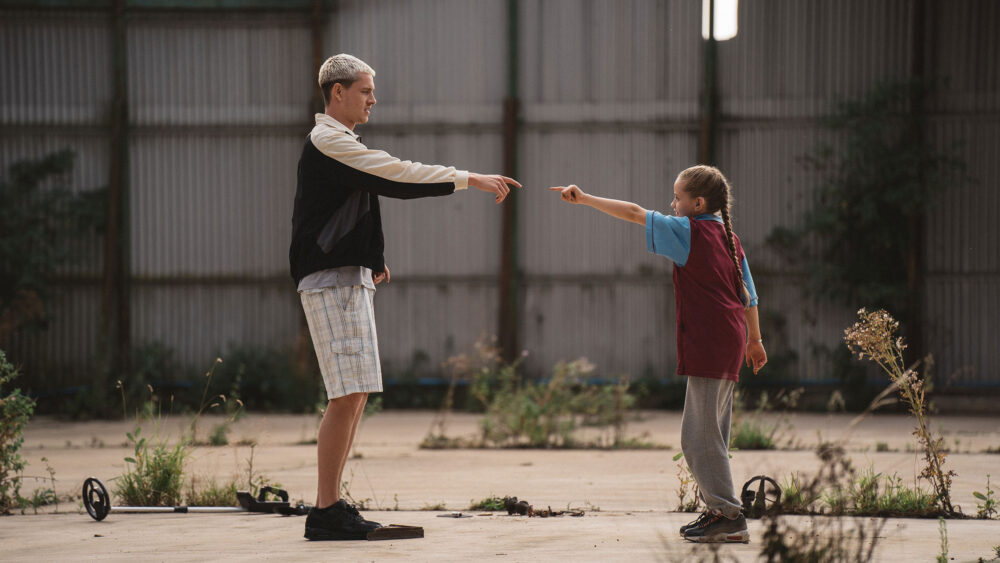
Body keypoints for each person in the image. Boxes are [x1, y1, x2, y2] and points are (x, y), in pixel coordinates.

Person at [290, 53, 521, 541]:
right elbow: (393, 175)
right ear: (338, 93)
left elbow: (353, 204)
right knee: (345, 393)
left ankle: (331, 506)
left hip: (347, 275)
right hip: (330, 279)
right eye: (365, 90)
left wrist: (370, 257)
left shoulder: (342, 144)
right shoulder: (328, 141)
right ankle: (326, 509)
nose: (374, 99)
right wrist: (467, 178)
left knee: (356, 392)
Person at [549, 165, 767, 543]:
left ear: (697, 203)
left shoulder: (689, 231)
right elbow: (750, 293)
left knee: (698, 438)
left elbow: (635, 213)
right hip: (729, 340)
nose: (672, 204)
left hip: (710, 342)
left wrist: (584, 198)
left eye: (678, 198)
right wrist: (755, 340)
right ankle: (720, 511)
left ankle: (728, 516)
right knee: (711, 432)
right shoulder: (729, 238)